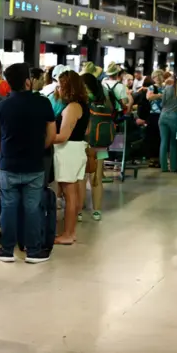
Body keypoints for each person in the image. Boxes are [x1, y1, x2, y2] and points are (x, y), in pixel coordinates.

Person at [0, 63, 55, 264]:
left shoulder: (0, 107)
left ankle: (7, 250)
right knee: (32, 208)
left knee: (8, 208)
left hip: (8, 165)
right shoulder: (43, 103)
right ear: (28, 81)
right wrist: (38, 149)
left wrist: (7, 152)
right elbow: (52, 135)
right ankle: (34, 251)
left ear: (8, 84)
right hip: (35, 165)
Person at [51, 71, 89, 246]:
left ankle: (67, 233)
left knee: (69, 194)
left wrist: (44, 137)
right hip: (78, 149)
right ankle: (71, 232)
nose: (58, 88)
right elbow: (86, 131)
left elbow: (62, 136)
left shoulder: (72, 107)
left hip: (67, 151)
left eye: (60, 85)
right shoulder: (83, 105)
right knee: (73, 194)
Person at [80, 73, 109, 220]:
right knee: (96, 178)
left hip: (86, 143)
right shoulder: (104, 98)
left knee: (82, 177)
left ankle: (79, 210)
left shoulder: (84, 100)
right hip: (102, 145)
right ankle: (97, 211)